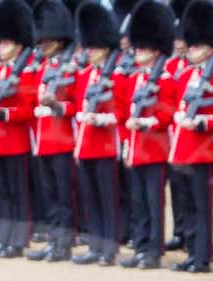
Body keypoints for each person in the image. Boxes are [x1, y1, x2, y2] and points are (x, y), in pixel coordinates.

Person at [167, 0, 213, 274]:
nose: (192, 51)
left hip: (202, 147)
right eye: (190, 46)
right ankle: (192, 251)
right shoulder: (185, 75)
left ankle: (203, 256)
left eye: (198, 46)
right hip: (182, 147)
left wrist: (202, 122)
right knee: (186, 203)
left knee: (202, 204)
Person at [118, 0, 177, 270]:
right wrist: (127, 145)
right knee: (138, 201)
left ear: (155, 50)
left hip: (154, 148)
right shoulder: (134, 79)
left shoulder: (164, 79)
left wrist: (147, 124)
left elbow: (167, 114)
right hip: (136, 148)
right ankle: (141, 246)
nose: (137, 52)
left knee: (154, 202)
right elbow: (125, 115)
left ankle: (154, 249)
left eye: (142, 48)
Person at [0, 0, 38, 259]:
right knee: (0, 192)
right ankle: (3, 238)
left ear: (18, 44)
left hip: (15, 140)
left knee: (17, 192)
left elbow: (27, 109)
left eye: (6, 43)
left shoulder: (24, 73)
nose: (1, 47)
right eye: (0, 43)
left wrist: (4, 114)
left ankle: (18, 240)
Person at [67, 0, 123, 266]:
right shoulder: (85, 75)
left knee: (107, 198)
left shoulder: (116, 75)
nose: (88, 51)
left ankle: (109, 248)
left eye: (93, 47)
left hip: (105, 144)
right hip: (85, 143)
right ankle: (95, 245)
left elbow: (120, 113)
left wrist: (100, 118)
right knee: (90, 198)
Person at [27, 0, 78, 262]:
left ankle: (64, 243)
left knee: (63, 195)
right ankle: (53, 240)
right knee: (49, 196)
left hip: (63, 141)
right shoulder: (45, 68)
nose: (43, 44)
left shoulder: (70, 67)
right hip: (44, 140)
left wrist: (57, 106)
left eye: (47, 40)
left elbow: (76, 105)